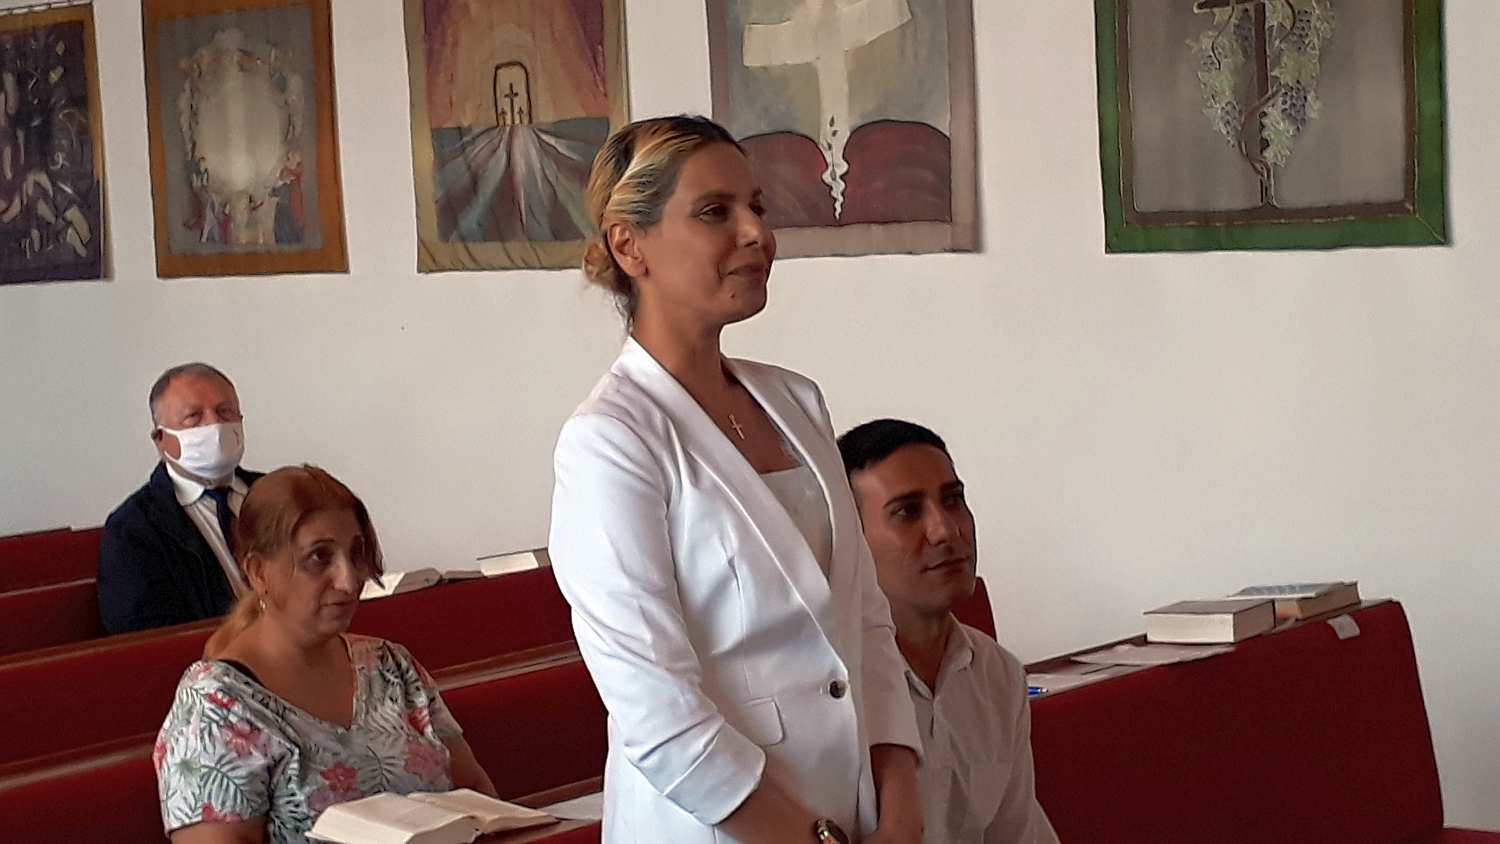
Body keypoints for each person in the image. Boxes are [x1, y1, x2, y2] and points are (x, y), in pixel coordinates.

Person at [548, 115, 923, 844]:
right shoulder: (611, 440)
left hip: (857, 809)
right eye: (715, 212)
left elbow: (865, 621)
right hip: (721, 826)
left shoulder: (796, 401)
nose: (756, 233)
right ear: (629, 245)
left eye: (757, 207)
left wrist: (901, 807)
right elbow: (654, 704)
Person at [154, 465, 495, 844]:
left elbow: (476, 795)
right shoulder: (215, 707)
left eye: (356, 553)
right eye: (319, 557)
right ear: (258, 572)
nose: (348, 581)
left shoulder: (390, 666)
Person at [839, 420, 1059, 844]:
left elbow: (1014, 834)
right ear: (851, 543)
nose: (946, 530)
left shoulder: (996, 674)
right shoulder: (833, 691)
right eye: (908, 511)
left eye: (953, 500)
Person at [99, 363, 263, 634]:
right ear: (160, 439)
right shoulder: (132, 531)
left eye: (225, 411)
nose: (214, 425)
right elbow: (149, 637)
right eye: (193, 417)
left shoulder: (282, 493)